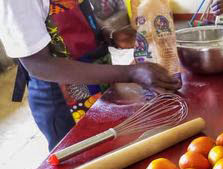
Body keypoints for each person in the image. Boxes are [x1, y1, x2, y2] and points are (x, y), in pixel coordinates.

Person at [0, 0, 180, 151]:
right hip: (63, 101)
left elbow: (79, 16)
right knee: (81, 165)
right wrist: (130, 73)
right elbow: (38, 65)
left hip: (98, 81)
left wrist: (110, 35)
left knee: (109, 150)